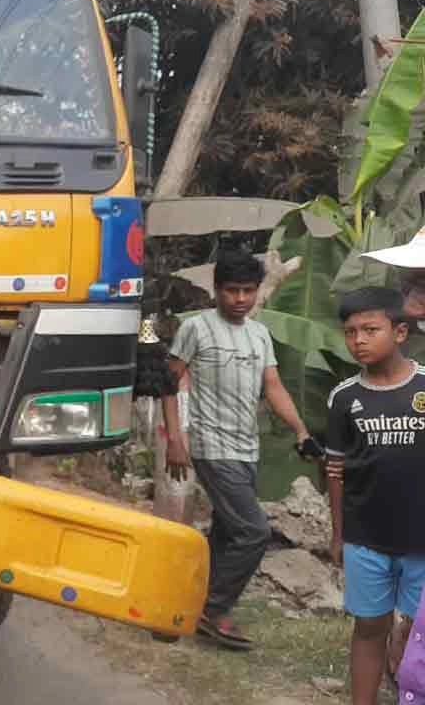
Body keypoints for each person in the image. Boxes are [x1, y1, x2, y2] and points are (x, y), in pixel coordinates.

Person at [162, 249, 316, 650]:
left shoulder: (259, 334)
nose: (241, 299)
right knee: (254, 532)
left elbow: (274, 387)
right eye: (232, 291)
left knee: (228, 533)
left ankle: (183, 602)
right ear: (217, 291)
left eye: (248, 290)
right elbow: (168, 382)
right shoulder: (196, 328)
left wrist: (300, 430)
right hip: (211, 447)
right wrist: (175, 439)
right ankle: (214, 610)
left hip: (248, 448)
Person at [323, 287, 425, 705]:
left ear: (400, 332)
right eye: (350, 332)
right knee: (368, 627)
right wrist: (338, 534)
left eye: (370, 330)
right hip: (365, 537)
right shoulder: (344, 398)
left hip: (421, 538)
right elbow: (336, 470)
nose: (359, 340)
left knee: (418, 630)